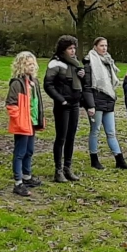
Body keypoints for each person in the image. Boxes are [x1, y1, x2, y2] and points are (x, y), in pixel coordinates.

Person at [44, 36, 89, 181]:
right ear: (63, 49)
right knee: (61, 137)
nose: (73, 51)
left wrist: (82, 76)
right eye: (70, 48)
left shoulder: (76, 63)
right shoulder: (55, 63)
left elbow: (82, 83)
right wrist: (61, 100)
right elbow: (48, 85)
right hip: (63, 105)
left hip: (75, 103)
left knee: (71, 137)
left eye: (74, 48)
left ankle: (67, 168)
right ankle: (58, 170)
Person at [84, 37, 127, 170]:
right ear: (95, 46)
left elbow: (111, 82)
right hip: (96, 101)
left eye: (106, 46)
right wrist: (90, 105)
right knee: (95, 131)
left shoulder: (108, 62)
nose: (104, 48)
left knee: (111, 132)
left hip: (108, 99)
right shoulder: (89, 63)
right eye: (101, 46)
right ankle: (94, 159)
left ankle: (119, 160)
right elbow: (87, 87)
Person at [6, 51, 44, 197]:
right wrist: (19, 121)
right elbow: (11, 105)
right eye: (28, 64)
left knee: (29, 151)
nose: (32, 66)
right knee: (20, 152)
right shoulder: (17, 84)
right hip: (22, 124)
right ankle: (18, 182)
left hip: (32, 122)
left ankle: (27, 176)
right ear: (21, 66)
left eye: (33, 63)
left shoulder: (34, 82)